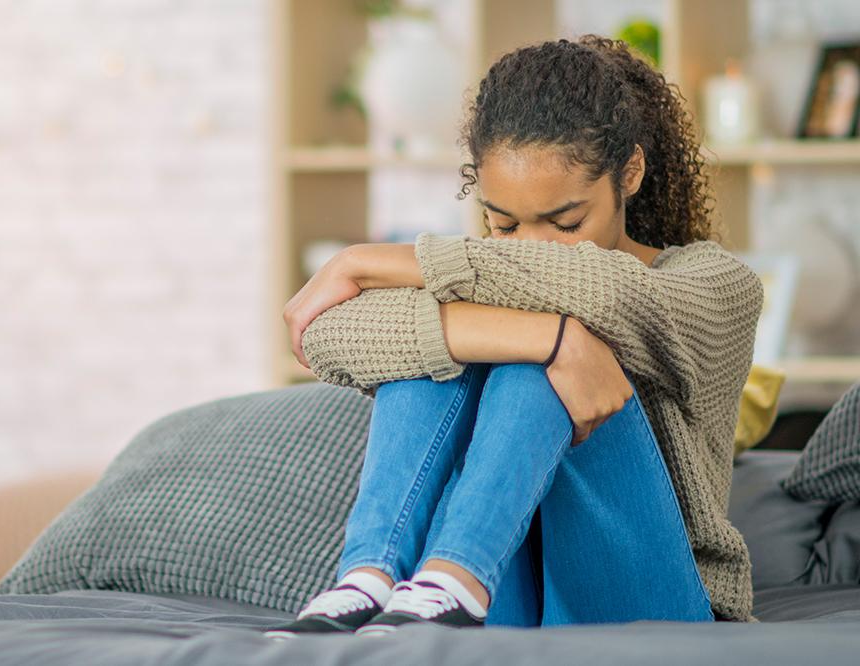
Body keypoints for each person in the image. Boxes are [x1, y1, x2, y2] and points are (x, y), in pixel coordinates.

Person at [264, 35, 764, 640]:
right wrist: (548, 337)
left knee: (536, 357)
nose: (532, 246)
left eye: (567, 223)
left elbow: (609, 293)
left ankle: (458, 570)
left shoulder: (716, 285)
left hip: (652, 594)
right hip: (505, 598)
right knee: (462, 355)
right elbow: (330, 333)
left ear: (629, 172)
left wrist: (371, 262)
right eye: (502, 225)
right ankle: (370, 574)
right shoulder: (492, 282)